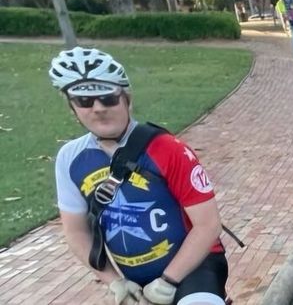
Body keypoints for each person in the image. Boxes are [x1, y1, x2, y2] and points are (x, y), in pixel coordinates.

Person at [50, 47, 229, 305]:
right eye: (85, 101)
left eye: (108, 98)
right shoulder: (70, 159)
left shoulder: (168, 149)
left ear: (127, 100)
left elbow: (208, 224)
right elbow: (76, 232)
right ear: (72, 108)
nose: (98, 108)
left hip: (196, 267)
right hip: (136, 280)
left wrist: (169, 281)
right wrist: (114, 282)